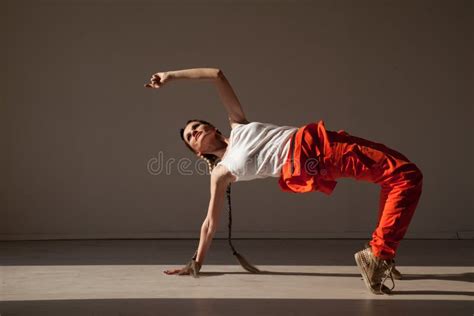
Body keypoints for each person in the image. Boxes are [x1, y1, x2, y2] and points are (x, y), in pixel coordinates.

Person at [144, 68, 423, 295]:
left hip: (316, 142)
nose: (194, 133)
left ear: (212, 127)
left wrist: (170, 76)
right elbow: (210, 223)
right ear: (197, 152)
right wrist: (196, 262)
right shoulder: (220, 173)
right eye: (190, 137)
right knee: (404, 175)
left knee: (397, 176)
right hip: (313, 161)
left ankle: (381, 251)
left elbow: (217, 75)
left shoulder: (238, 124)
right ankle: (378, 254)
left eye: (196, 127)